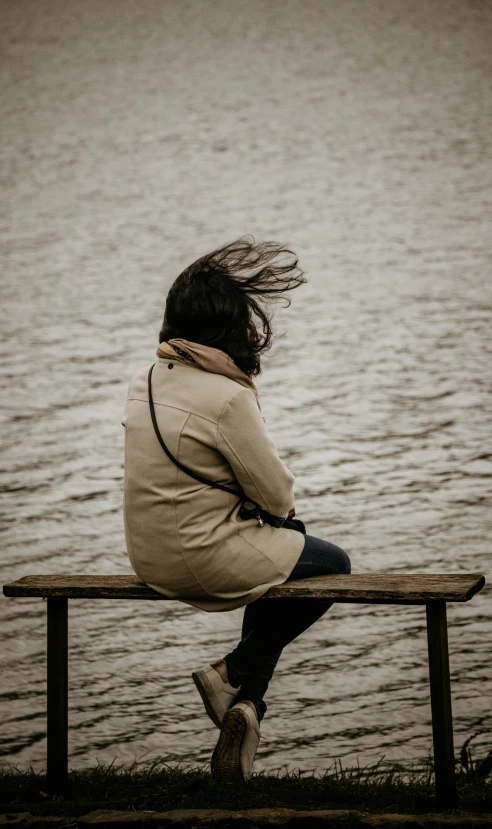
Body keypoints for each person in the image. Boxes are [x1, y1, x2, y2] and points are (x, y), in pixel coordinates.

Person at [122, 236, 351, 782]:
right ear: (230, 327)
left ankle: (247, 708)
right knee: (332, 562)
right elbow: (278, 497)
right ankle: (235, 671)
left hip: (149, 557)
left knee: (280, 555)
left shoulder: (145, 380)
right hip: (203, 559)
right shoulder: (227, 396)